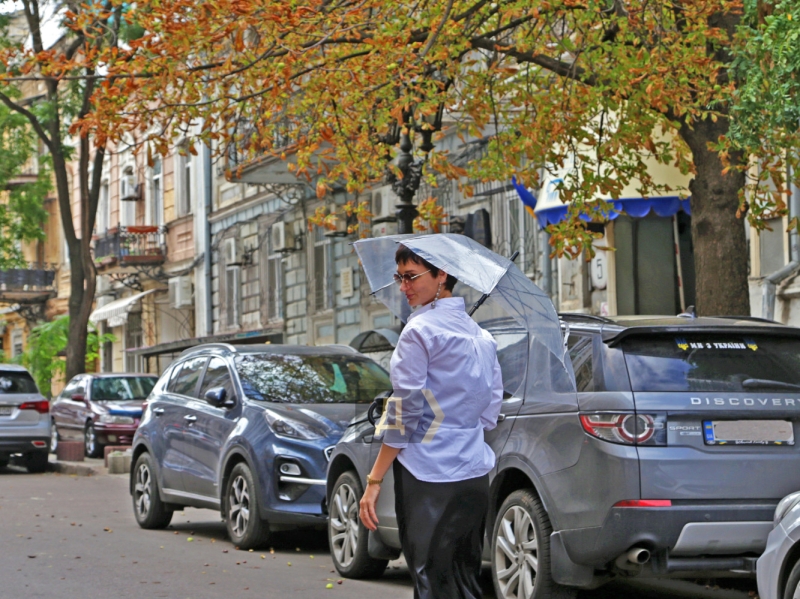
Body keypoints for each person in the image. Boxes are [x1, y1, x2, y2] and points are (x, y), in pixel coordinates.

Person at [359, 244, 503, 599]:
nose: (404, 287)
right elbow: (490, 409)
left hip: (427, 475)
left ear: (442, 275)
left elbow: (403, 412)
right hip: (472, 474)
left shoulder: (418, 332)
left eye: (412, 277)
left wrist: (374, 479)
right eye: (399, 278)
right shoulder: (482, 338)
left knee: (430, 580)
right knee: (464, 580)